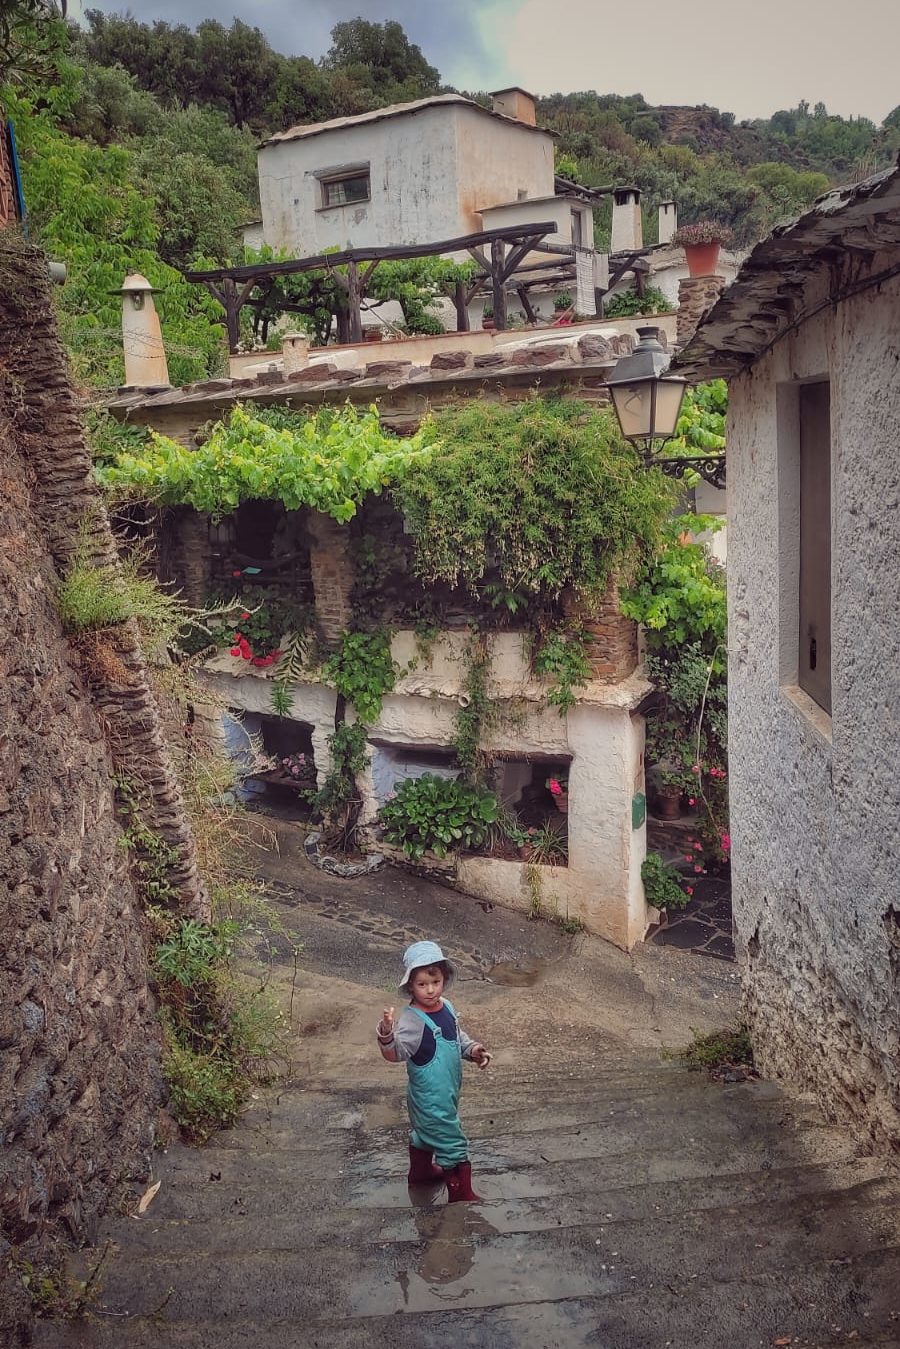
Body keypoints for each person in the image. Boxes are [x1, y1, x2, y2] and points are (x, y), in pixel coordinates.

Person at [376, 939, 492, 1203]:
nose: (430, 990)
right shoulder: (412, 1021)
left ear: (445, 978)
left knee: (424, 1133)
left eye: (435, 982)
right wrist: (386, 1034)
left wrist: (473, 1050)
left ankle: (421, 1174)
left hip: (444, 1093)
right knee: (451, 1142)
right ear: (410, 986)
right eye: (421, 984)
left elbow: (456, 1037)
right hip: (429, 1098)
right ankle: (462, 1196)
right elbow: (395, 1054)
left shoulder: (447, 1007)